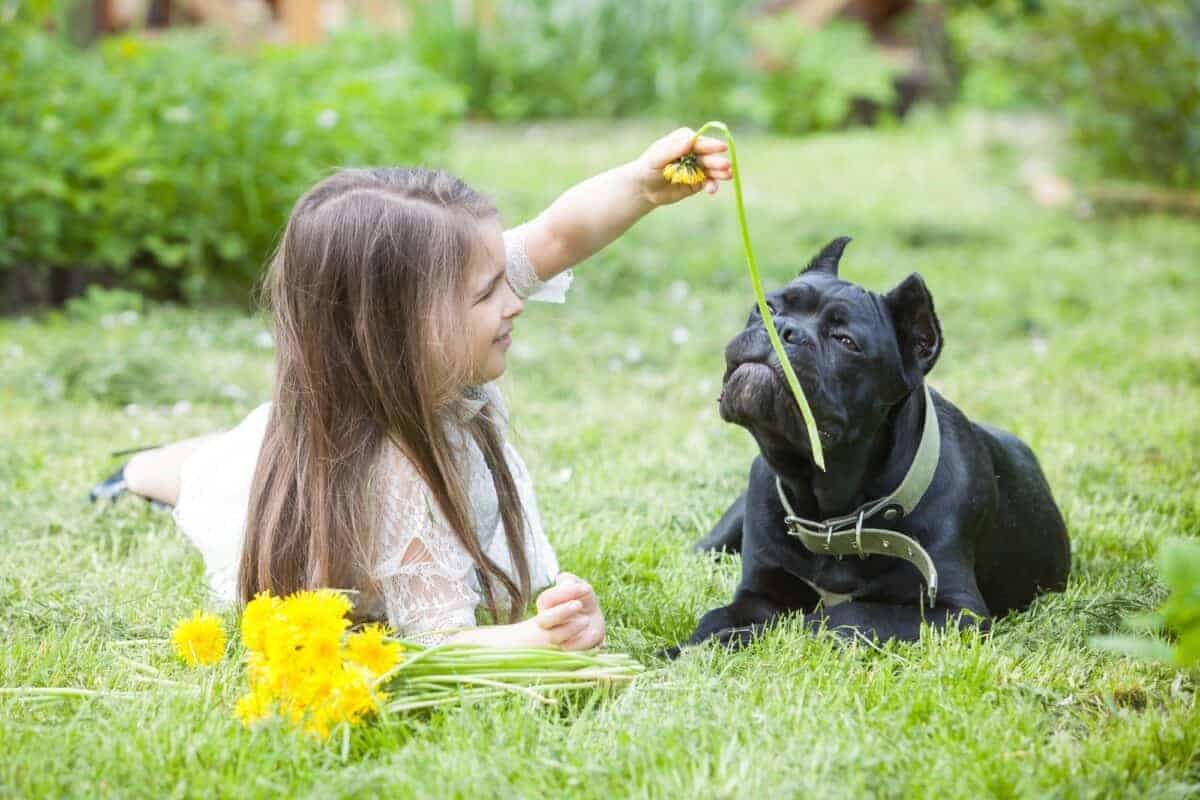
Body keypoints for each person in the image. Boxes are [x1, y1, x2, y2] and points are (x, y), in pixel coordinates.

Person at [89, 128, 732, 649]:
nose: (516, 301)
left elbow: (557, 236)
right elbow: (434, 647)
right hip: (266, 477)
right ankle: (137, 471)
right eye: (490, 291)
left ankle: (192, 453)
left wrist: (641, 184)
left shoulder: (434, 307)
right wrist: (538, 640)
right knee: (205, 476)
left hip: (292, 444)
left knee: (237, 450)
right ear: (396, 332)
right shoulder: (393, 474)